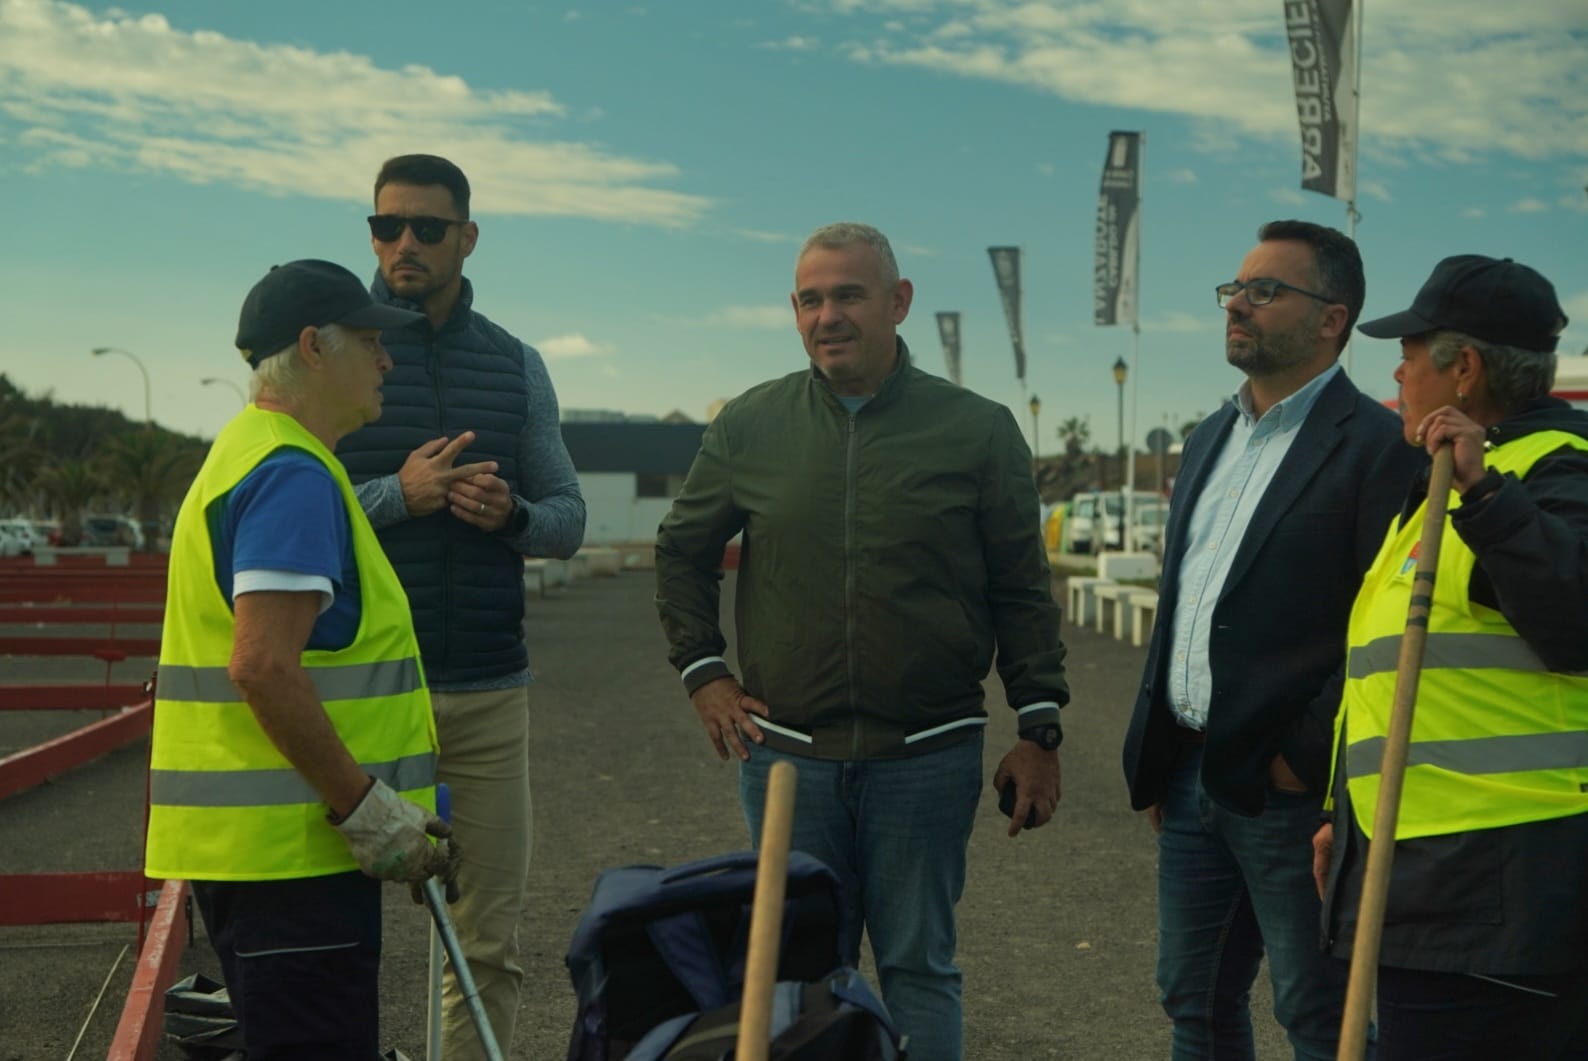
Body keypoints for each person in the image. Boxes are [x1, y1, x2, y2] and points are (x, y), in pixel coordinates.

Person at [655, 222, 1069, 1061]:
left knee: (921, 964)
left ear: (898, 302)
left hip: (928, 752)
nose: (828, 315)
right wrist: (705, 674)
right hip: (787, 758)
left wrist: (1039, 728)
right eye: (811, 299)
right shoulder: (750, 425)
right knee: (802, 975)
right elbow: (681, 550)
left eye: (848, 294)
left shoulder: (978, 430)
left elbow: (1021, 587)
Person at [1120, 220, 1425, 1060]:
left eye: (1264, 291)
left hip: (1293, 793)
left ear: (1332, 319)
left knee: (1319, 1014)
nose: (1238, 305)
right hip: (1187, 775)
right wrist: (1159, 739)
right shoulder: (1208, 437)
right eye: (1235, 289)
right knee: (1192, 997)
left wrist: (1306, 755)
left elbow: (1389, 624)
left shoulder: (1376, 447)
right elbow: (1185, 598)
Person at [145, 259, 458, 1059]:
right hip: (295, 860)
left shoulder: (249, 454)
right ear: (314, 347)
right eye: (368, 341)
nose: (386, 359)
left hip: (270, 857)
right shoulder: (290, 473)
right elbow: (263, 664)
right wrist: (367, 808)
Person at [336, 153, 587, 1058]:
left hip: (486, 689)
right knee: (333, 937)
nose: (403, 244)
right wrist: (398, 494)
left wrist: (512, 514)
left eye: (426, 228)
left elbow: (568, 518)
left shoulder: (517, 365)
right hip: (357, 690)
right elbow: (285, 512)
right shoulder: (331, 350)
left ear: (467, 238)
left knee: (485, 943)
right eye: (385, 226)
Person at [1316, 255, 1588, 1060]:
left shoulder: (1549, 471)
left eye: (1410, 351)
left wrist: (1489, 498)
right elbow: (1397, 673)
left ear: (1464, 369)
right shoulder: (1440, 484)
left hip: (1502, 889)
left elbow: (1576, 617)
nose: (1395, 371)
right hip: (1424, 873)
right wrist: (1346, 815)